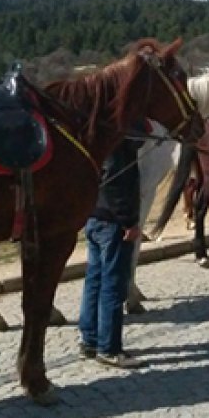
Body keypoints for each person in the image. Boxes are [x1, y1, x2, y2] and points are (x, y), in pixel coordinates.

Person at [79, 135, 146, 368]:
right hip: (113, 221)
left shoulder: (95, 138)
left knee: (94, 280)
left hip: (94, 215)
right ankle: (109, 347)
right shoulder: (117, 143)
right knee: (114, 285)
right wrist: (129, 221)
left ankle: (89, 339)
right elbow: (114, 181)